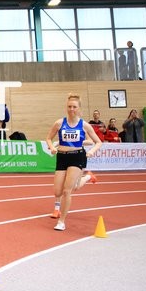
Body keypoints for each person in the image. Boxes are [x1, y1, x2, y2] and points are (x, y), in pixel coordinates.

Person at [45, 93, 103, 230]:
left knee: (67, 191)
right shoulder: (59, 123)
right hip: (62, 157)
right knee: (57, 192)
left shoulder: (85, 125)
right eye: (69, 106)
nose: (71, 109)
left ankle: (61, 221)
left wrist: (91, 152)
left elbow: (98, 142)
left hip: (77, 156)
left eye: (74, 107)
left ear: (79, 108)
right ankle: (88, 177)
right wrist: (52, 147)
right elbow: (48, 138)